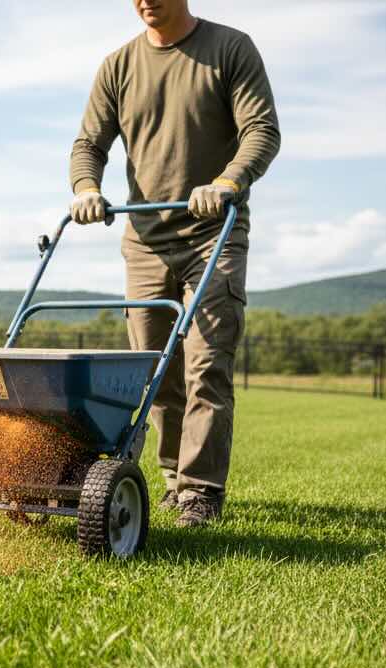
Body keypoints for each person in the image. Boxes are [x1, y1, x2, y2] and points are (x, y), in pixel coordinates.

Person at [69, 0, 280, 527]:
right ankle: (171, 481)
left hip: (214, 233)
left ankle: (201, 492)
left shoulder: (229, 48)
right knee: (154, 371)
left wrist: (230, 181)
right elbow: (88, 144)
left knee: (206, 364)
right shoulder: (118, 65)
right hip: (144, 240)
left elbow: (261, 130)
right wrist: (86, 188)